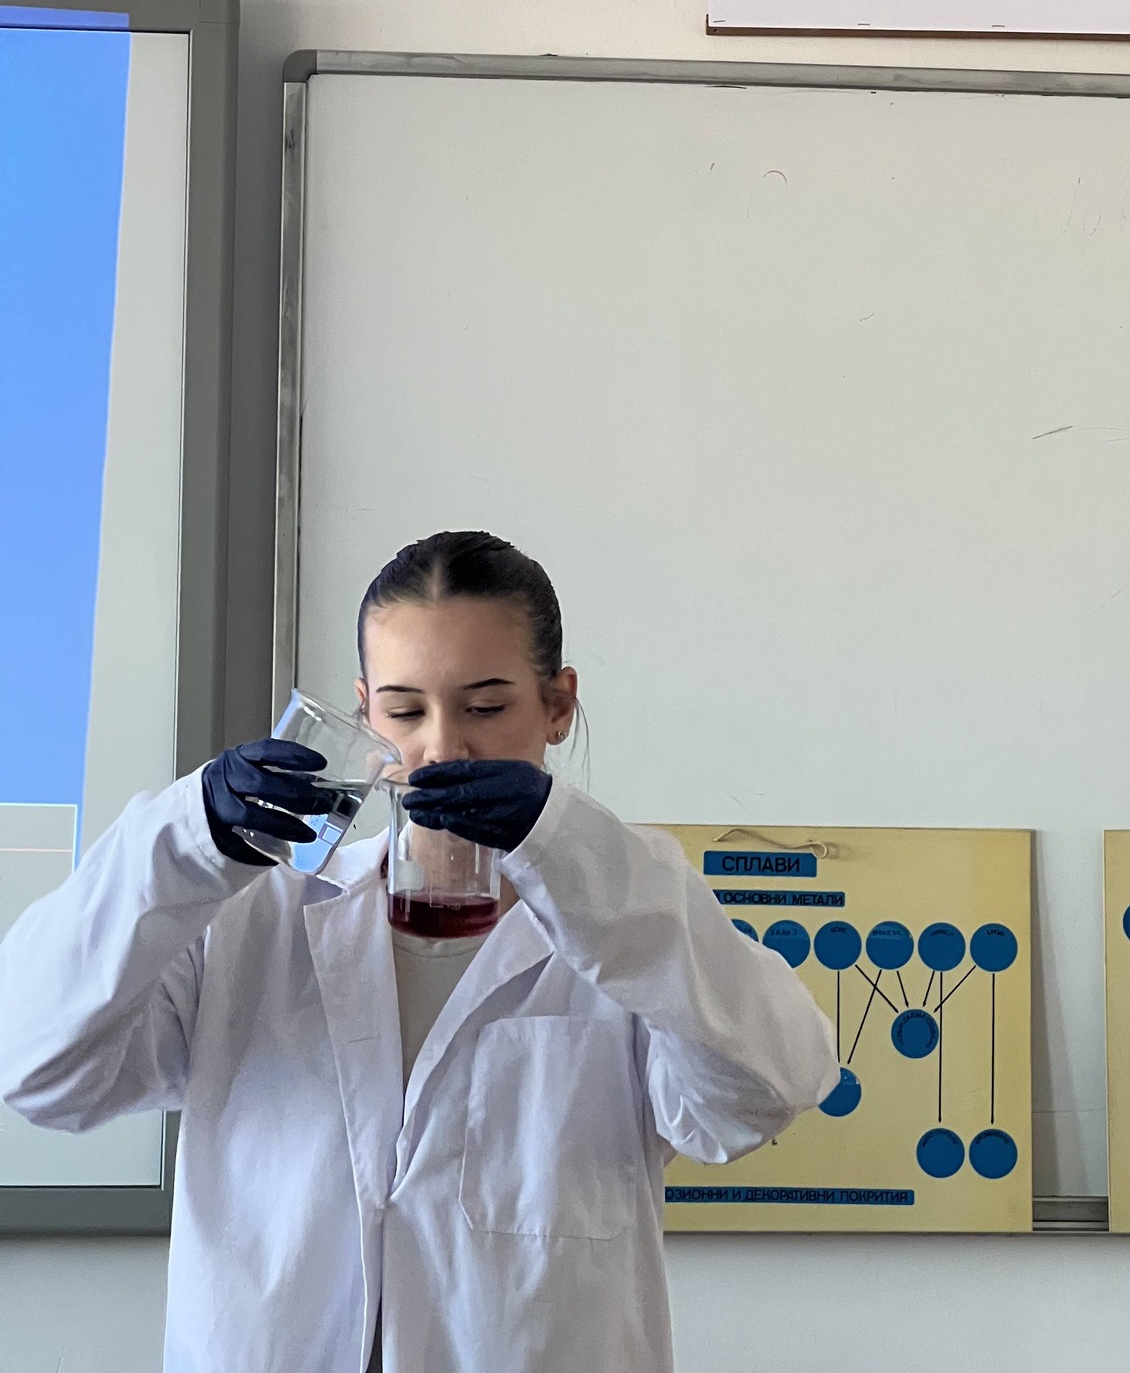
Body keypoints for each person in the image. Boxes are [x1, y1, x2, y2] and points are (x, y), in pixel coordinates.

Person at [0, 531, 838, 1373]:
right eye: (405, 712)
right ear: (365, 712)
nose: (442, 748)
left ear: (557, 705)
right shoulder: (258, 917)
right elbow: (36, 1066)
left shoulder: (634, 920)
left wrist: (570, 848)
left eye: (485, 708)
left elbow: (765, 1091)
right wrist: (185, 841)